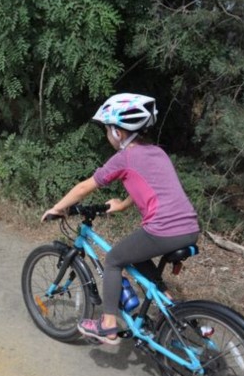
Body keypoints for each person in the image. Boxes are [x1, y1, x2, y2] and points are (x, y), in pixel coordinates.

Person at [41, 93, 200, 345]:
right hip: (189, 228)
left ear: (119, 133)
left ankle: (108, 325)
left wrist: (58, 208)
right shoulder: (157, 153)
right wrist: (123, 205)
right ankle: (176, 312)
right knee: (139, 259)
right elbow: (149, 186)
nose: (107, 135)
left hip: (164, 229)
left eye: (107, 129)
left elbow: (85, 187)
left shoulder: (125, 157)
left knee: (115, 258)